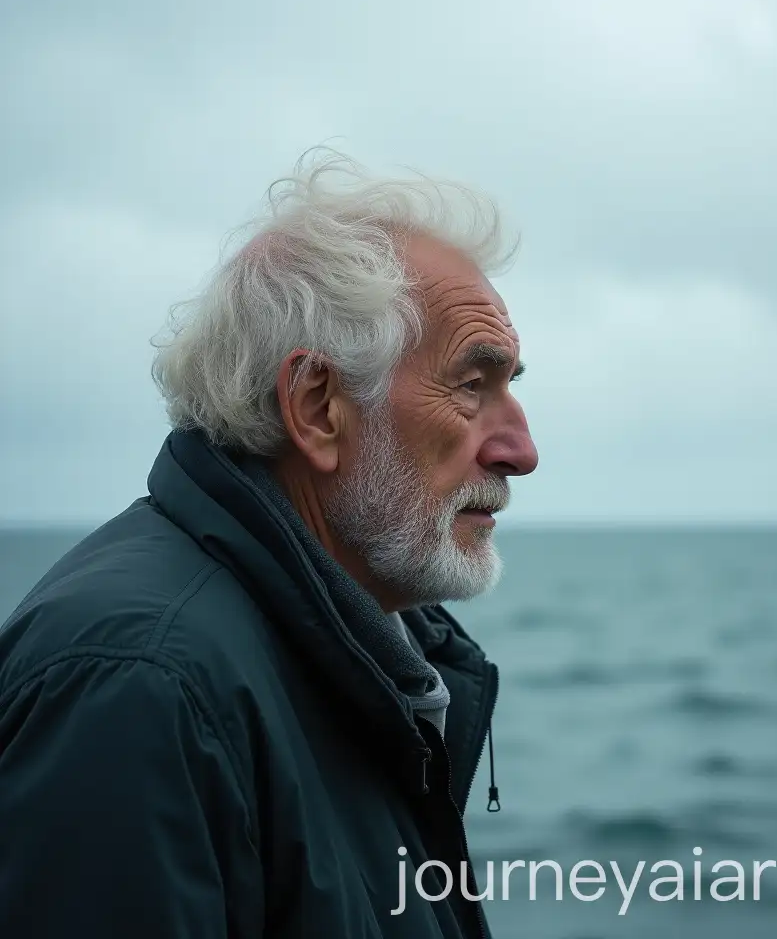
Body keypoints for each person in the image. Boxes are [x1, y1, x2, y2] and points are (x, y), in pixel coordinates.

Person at [0, 151, 539, 938]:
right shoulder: (138, 684)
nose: (520, 450)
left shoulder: (353, 653)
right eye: (470, 384)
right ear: (318, 407)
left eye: (510, 385)